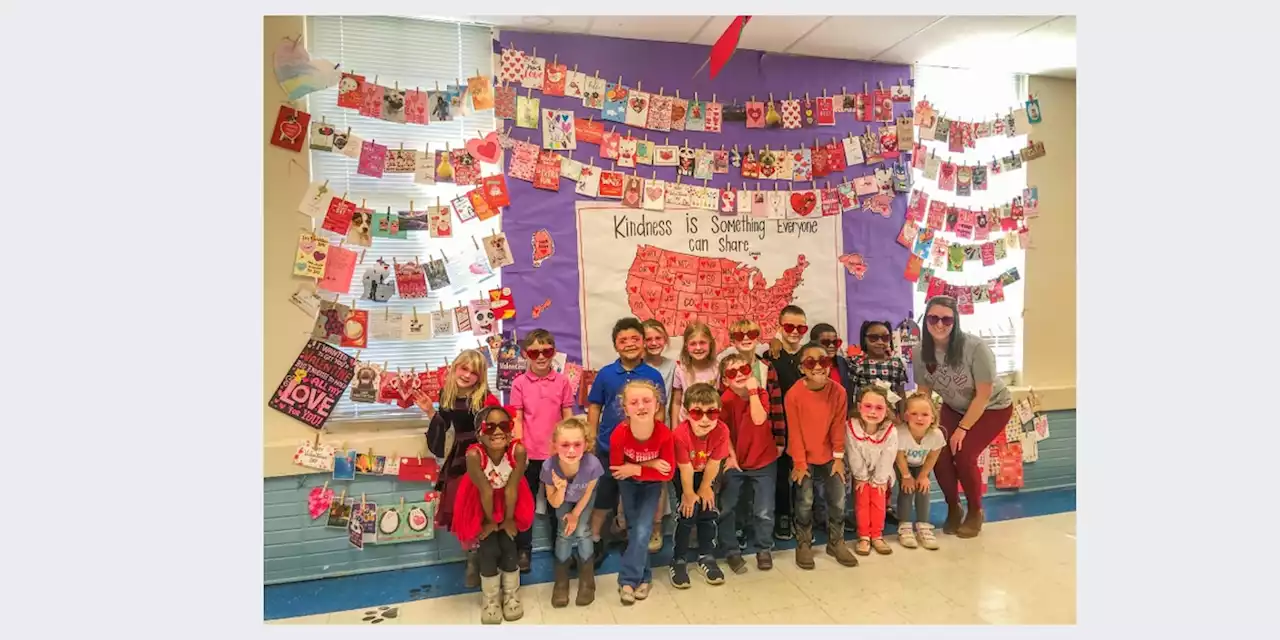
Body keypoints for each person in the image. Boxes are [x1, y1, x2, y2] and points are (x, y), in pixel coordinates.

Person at [913, 295, 1014, 538]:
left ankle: (975, 511)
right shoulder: (920, 352)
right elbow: (923, 393)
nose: (939, 324)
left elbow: (983, 395)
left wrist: (963, 429)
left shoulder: (975, 348)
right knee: (938, 452)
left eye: (946, 319)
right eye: (933, 318)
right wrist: (921, 427)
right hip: (952, 407)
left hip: (992, 407)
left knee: (964, 453)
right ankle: (953, 507)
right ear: (925, 320)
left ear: (955, 321)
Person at [586, 318, 667, 567]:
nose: (630, 344)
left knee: (636, 501)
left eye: (635, 339)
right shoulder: (606, 374)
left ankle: (634, 543)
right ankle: (595, 541)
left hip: (641, 452)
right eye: (623, 340)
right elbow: (595, 407)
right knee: (604, 499)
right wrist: (591, 439)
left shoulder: (653, 375)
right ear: (615, 346)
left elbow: (660, 411)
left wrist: (655, 441)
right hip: (608, 450)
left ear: (643, 342)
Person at [419, 349, 502, 588]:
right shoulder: (447, 393)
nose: (466, 375)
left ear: (480, 376)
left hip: (482, 455)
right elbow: (443, 426)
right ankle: (472, 558)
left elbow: (499, 429)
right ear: (455, 368)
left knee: (482, 508)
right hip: (459, 457)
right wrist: (430, 412)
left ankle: (485, 559)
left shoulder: (485, 397)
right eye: (463, 369)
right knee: (459, 508)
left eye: (473, 372)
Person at [449, 406, 534, 624]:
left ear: (511, 430)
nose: (497, 431)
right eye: (490, 426)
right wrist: (488, 522)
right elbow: (485, 490)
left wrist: (507, 520)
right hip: (479, 503)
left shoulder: (518, 451)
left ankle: (511, 595)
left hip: (510, 502)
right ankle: (490, 599)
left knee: (508, 544)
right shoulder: (474, 455)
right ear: (479, 433)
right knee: (488, 548)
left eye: (504, 426)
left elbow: (511, 489)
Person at [784, 342, 857, 569]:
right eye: (810, 362)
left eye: (823, 361)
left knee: (837, 499)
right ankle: (804, 542)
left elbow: (838, 426)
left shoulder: (839, 392)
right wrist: (799, 462)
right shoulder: (794, 394)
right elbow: (794, 432)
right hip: (802, 456)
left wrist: (837, 458)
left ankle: (836, 541)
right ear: (801, 368)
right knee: (804, 500)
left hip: (830, 456)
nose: (818, 367)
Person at [509, 329, 575, 573]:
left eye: (546, 351)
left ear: (553, 353)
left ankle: (562, 550)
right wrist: (519, 450)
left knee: (556, 506)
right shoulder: (519, 384)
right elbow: (516, 419)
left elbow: (568, 417)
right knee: (524, 505)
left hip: (556, 456)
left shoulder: (562, 382)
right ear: (526, 354)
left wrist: (569, 449)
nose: (540, 357)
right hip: (528, 456)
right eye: (534, 352)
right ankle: (523, 551)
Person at [608, 379, 675, 605]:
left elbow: (667, 474)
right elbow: (618, 470)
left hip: (651, 486)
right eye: (634, 402)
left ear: (657, 405)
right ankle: (644, 577)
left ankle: (627, 580)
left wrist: (636, 468)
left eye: (647, 401)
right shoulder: (619, 434)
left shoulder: (664, 434)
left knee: (644, 528)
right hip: (628, 485)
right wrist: (652, 464)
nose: (641, 406)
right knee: (637, 529)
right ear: (625, 408)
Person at [716, 352, 779, 571]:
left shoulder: (760, 393)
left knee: (764, 510)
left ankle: (764, 548)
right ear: (725, 380)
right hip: (736, 462)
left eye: (744, 370)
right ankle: (731, 550)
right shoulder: (724, 400)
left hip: (763, 461)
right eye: (733, 373)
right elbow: (722, 432)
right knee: (728, 507)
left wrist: (752, 391)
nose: (740, 375)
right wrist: (731, 456)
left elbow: (759, 418)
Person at [669, 382, 730, 588]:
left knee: (708, 511)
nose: (705, 419)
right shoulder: (680, 434)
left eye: (711, 413)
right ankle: (678, 559)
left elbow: (714, 463)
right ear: (686, 413)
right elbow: (684, 468)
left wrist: (705, 487)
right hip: (684, 474)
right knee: (687, 513)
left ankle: (706, 555)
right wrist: (688, 493)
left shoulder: (722, 430)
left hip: (707, 473)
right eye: (697, 413)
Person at [542, 416, 604, 606]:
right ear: (555, 445)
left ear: (586, 445)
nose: (571, 450)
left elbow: (587, 494)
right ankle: (561, 582)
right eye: (565, 444)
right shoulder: (548, 467)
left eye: (577, 444)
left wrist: (575, 515)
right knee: (564, 533)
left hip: (583, 498)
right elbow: (553, 502)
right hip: (562, 499)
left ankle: (588, 581)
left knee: (582, 531)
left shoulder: (592, 464)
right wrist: (560, 488)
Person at [761, 305, 810, 541]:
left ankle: (802, 518)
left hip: (806, 426)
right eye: (789, 326)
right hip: (780, 427)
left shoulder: (810, 357)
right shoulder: (770, 356)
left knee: (804, 474)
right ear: (780, 327)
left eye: (801, 327)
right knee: (781, 475)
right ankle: (782, 515)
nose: (795, 332)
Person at [845, 385, 898, 556]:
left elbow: (888, 456)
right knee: (862, 500)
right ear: (859, 407)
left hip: (881, 474)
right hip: (859, 473)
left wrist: (879, 479)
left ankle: (876, 534)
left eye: (879, 408)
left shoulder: (890, 431)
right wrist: (861, 476)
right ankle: (864, 536)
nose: (873, 412)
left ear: (886, 410)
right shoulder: (851, 428)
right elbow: (853, 453)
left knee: (878, 500)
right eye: (868, 406)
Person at [640, 318, 677, 551]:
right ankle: (631, 526)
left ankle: (656, 527)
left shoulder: (673, 366)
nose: (654, 343)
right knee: (635, 478)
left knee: (659, 479)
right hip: (637, 431)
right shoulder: (635, 365)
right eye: (648, 339)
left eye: (658, 338)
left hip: (662, 431)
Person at [895, 392, 944, 550]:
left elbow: (932, 455)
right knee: (907, 490)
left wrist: (923, 475)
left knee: (923, 489)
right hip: (903, 465)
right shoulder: (900, 433)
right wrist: (906, 476)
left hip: (921, 465)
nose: (919, 418)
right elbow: (899, 456)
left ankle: (923, 525)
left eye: (925, 414)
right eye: (914, 414)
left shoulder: (936, 435)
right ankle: (904, 526)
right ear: (907, 416)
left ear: (933, 417)